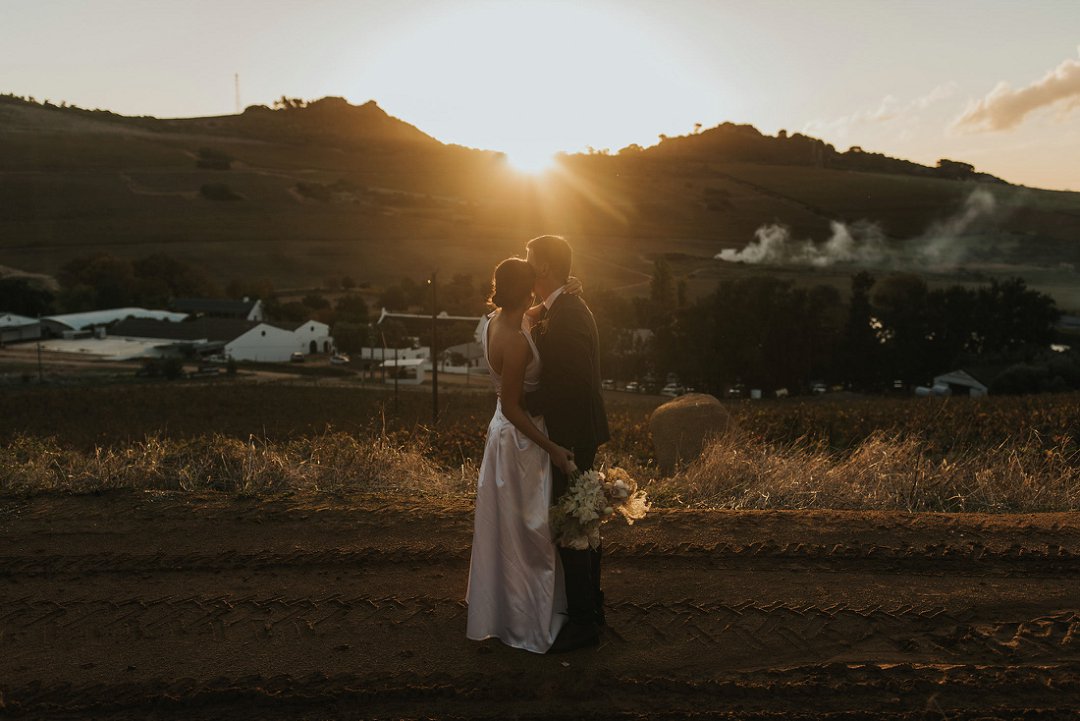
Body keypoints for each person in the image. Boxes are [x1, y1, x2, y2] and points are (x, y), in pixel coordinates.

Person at [465, 258, 577, 653]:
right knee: (532, 534)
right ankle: (526, 619)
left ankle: (501, 610)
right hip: (521, 441)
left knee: (509, 530)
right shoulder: (512, 341)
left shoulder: (497, 319)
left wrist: (560, 294)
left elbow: (531, 312)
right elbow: (513, 407)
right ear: (526, 291)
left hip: (502, 435)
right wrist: (554, 449)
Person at [524, 235, 611, 653]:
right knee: (583, 518)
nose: (525, 264)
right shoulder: (561, 307)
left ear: (544, 267)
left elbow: (573, 382)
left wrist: (525, 403)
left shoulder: (570, 314)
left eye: (529, 258)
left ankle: (583, 624)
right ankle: (592, 607)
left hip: (573, 434)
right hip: (575, 430)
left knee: (574, 522)